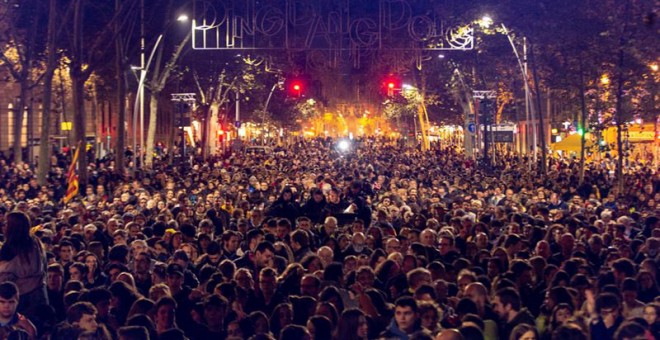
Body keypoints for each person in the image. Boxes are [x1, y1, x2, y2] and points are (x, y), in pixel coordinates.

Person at [0, 211, 48, 316]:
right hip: (21, 294)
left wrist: (4, 267)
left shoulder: (30, 244)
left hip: (28, 296)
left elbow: (30, 268)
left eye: (7, 223)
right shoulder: (10, 244)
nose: (4, 226)